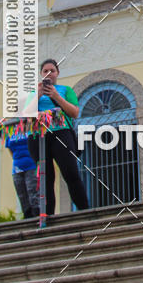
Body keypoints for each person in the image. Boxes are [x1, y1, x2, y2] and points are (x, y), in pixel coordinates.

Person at [27, 59, 90, 216]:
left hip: (61, 132)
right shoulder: (34, 92)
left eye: (52, 70)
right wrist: (39, 94)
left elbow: (74, 112)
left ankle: (85, 212)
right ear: (41, 74)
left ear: (57, 73)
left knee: (71, 173)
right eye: (45, 71)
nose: (49, 73)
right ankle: (48, 216)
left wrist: (55, 95)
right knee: (46, 178)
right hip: (38, 135)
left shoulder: (65, 90)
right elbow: (25, 115)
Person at [6, 135, 39, 218]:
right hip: (17, 168)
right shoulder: (10, 132)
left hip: (31, 166)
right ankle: (27, 216)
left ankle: (37, 215)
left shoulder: (30, 129)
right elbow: (10, 150)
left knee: (32, 191)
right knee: (22, 195)